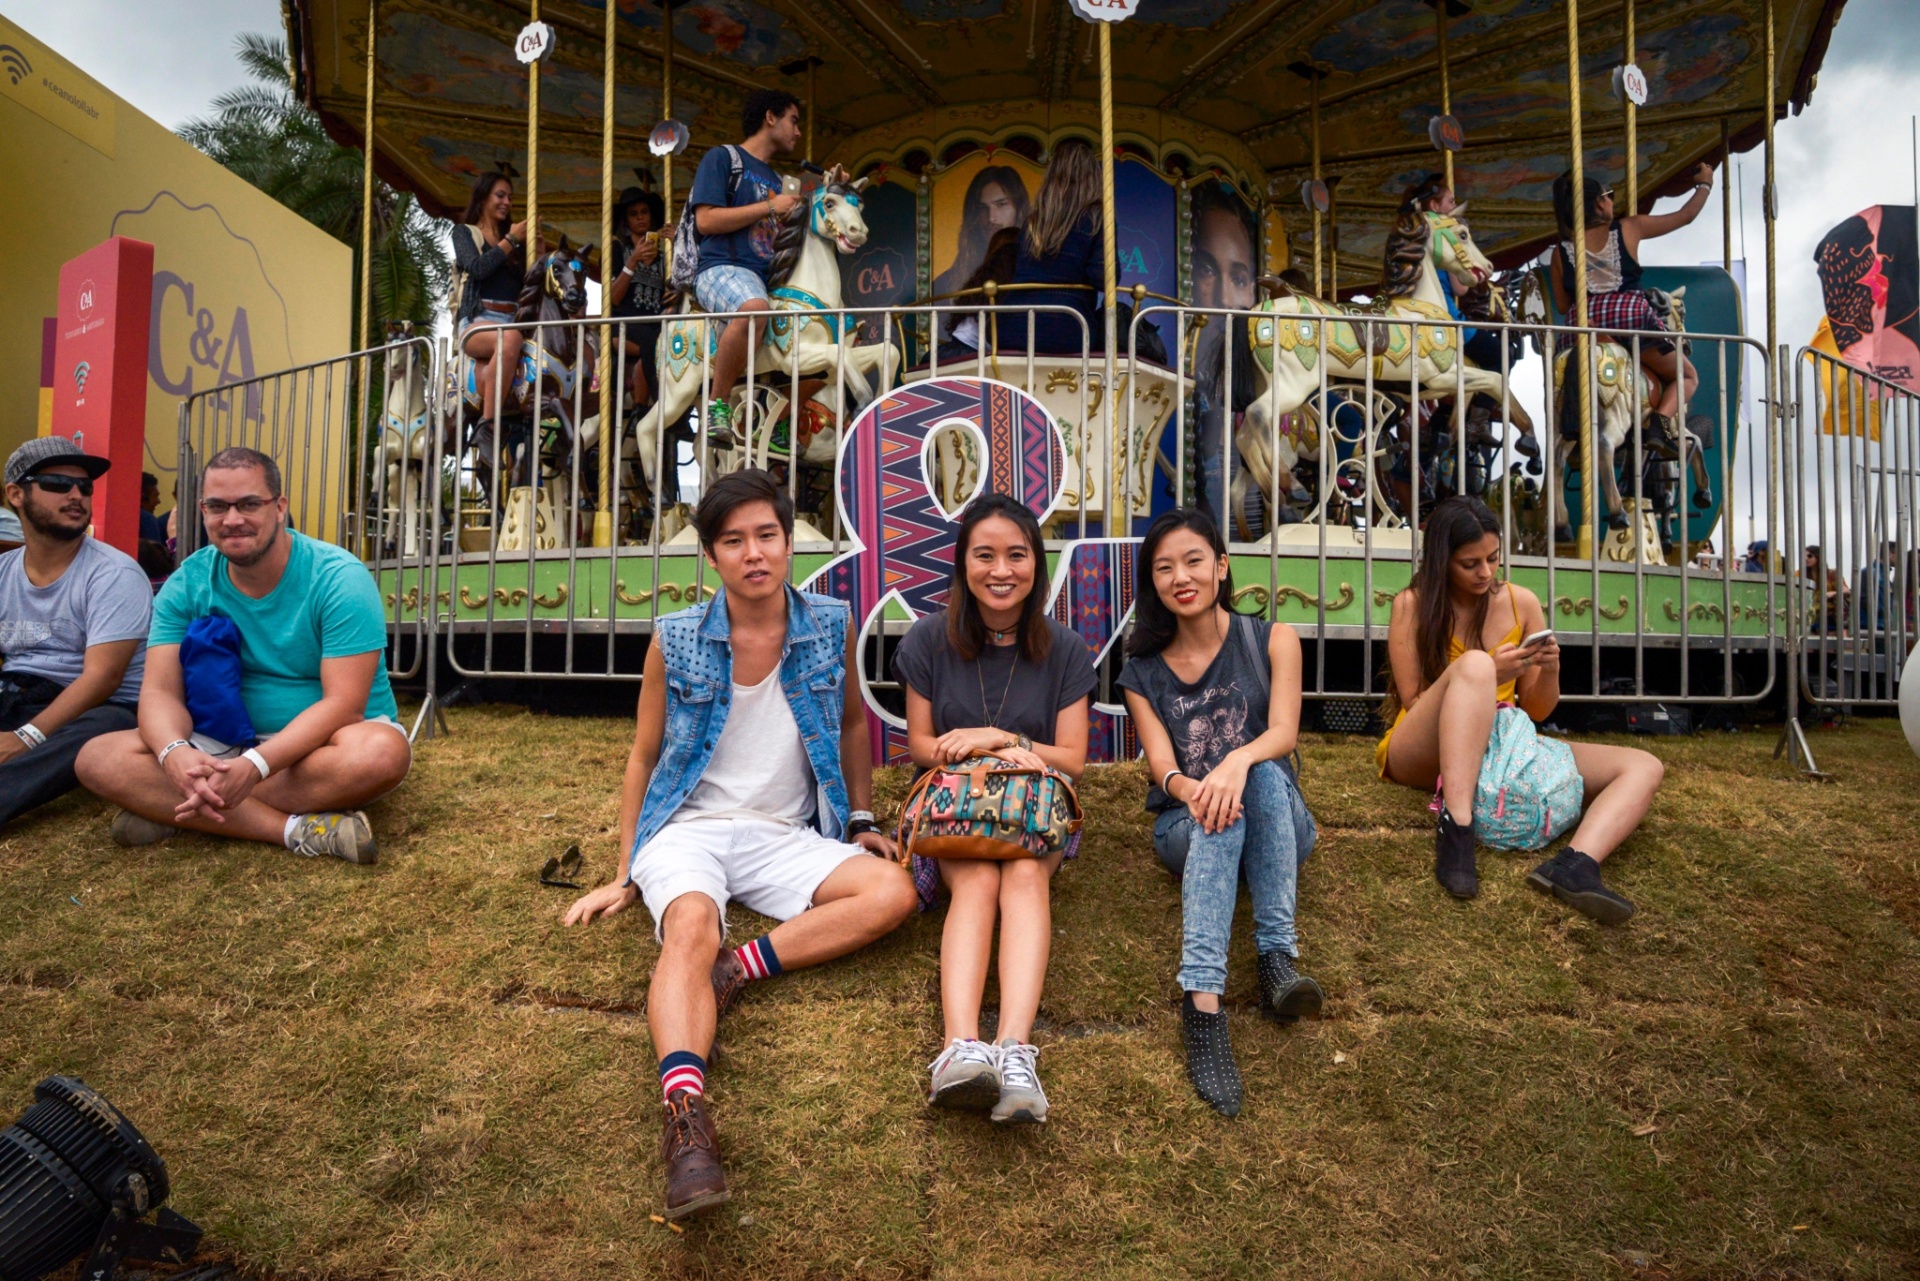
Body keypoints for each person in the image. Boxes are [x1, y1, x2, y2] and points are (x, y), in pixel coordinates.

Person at [561, 468, 914, 1220]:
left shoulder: (829, 623)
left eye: (768, 535)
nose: (755, 553)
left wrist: (858, 817)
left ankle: (738, 967)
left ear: (790, 542)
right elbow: (643, 755)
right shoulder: (678, 638)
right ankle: (685, 1119)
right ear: (711, 555)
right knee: (689, 925)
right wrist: (626, 871)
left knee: (893, 891)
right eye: (734, 540)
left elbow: (854, 725)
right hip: (688, 828)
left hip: (784, 833)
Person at [75, 448, 412, 863]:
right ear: (201, 511)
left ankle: (175, 809)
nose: (232, 519)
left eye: (250, 503)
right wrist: (174, 753)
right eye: (218, 506)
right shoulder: (187, 582)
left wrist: (254, 765)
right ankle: (292, 830)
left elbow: (344, 705)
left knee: (380, 753)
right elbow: (160, 692)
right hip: (218, 742)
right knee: (96, 758)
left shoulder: (339, 577)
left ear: (280, 507)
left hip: (321, 746)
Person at [892, 493, 1094, 1125]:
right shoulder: (928, 639)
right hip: (958, 810)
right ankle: (959, 1048)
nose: (1000, 570)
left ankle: (1014, 1050)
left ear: (1036, 564)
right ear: (963, 563)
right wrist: (974, 744)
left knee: (1026, 873)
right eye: (985, 555)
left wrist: (1003, 740)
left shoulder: (1063, 647)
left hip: (1036, 809)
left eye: (1016, 554)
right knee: (977, 880)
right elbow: (922, 747)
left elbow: (1074, 760)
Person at [1118, 509, 1322, 1118]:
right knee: (1219, 807)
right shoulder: (1141, 672)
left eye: (1193, 561)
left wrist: (1235, 763)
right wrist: (1199, 789)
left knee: (1257, 773)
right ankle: (1202, 1007)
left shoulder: (1271, 639)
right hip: (1189, 824)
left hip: (1277, 821)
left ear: (1221, 566)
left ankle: (1275, 961)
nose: (1181, 576)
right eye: (1164, 568)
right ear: (1152, 583)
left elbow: (1283, 732)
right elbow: (1163, 770)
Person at [1377, 497, 1664, 923]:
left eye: (1493, 558)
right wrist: (1487, 673)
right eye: (1469, 563)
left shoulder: (1520, 602)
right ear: (1442, 560)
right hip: (1422, 748)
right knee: (1473, 664)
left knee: (1644, 765)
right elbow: (1415, 699)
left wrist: (1550, 670)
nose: (1486, 572)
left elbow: (1537, 709)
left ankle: (1576, 865)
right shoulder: (1412, 604)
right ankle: (1457, 829)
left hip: (1504, 744)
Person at [0, 438, 150, 830]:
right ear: (16, 494)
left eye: (84, 487)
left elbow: (103, 678)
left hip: (96, 705)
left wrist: (26, 737)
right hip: (17, 692)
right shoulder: (4, 571)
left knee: (105, 729)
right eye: (56, 484)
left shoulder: (113, 573)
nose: (75, 495)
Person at [1549, 164, 1714, 422]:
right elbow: (1686, 215)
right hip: (1630, 318)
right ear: (1599, 204)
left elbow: (1562, 305)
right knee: (1687, 376)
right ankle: (1660, 423)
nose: (1612, 202)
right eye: (1609, 196)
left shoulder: (1559, 253)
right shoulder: (1629, 228)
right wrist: (1705, 184)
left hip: (1583, 324)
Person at [688, 89, 804, 443]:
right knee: (754, 309)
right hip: (722, 268)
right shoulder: (723, 158)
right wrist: (771, 207)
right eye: (793, 121)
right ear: (771, 117)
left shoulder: (778, 180)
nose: (798, 132)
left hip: (764, 277)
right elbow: (705, 221)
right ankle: (716, 407)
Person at [952, 139, 1105, 357]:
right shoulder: (1097, 217)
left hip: (1014, 326)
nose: (992, 218)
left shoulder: (1032, 222)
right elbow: (1102, 277)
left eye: (1001, 205)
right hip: (1068, 326)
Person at [453, 171, 530, 436]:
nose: (507, 202)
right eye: (500, 195)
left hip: (512, 322)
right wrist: (510, 241)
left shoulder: (516, 244)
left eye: (510, 197)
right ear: (483, 197)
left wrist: (537, 254)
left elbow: (528, 286)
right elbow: (477, 268)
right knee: (509, 339)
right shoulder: (465, 233)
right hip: (476, 321)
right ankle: (488, 425)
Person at [607, 185, 670, 409]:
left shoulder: (665, 258)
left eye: (644, 212)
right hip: (624, 326)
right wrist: (632, 261)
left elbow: (673, 292)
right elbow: (613, 298)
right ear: (626, 220)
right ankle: (661, 404)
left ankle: (642, 408)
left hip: (655, 325)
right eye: (634, 214)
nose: (640, 218)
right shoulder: (617, 250)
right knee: (653, 342)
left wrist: (677, 244)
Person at [933, 164, 1031, 300]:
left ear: (1018, 209)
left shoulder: (1035, 271)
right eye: (982, 208)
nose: (991, 217)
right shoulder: (945, 284)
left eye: (1001, 204)